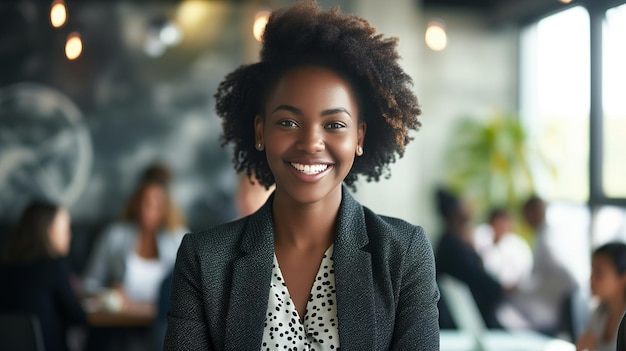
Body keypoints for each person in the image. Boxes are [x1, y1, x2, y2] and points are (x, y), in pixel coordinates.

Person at [164, 1, 439, 349]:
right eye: (288, 122)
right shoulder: (204, 259)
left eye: (335, 125)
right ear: (261, 132)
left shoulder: (403, 255)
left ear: (360, 137)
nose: (311, 143)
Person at [82, 162, 188, 306]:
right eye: (143, 202)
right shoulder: (114, 235)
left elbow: (192, 291)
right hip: (121, 321)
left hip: (166, 323)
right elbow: (89, 282)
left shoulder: (180, 239)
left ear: (165, 208)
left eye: (154, 205)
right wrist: (109, 294)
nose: (146, 210)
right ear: (135, 202)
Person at [0, 201, 86, 351]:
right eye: (65, 229)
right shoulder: (53, 267)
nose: (70, 236)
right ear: (49, 230)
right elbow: (77, 316)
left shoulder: (4, 265)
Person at [434, 188, 505, 329]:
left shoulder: (453, 242)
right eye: (464, 203)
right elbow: (489, 286)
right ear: (456, 212)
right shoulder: (453, 247)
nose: (469, 205)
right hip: (473, 321)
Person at [507, 195, 578, 336]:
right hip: (552, 301)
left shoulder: (548, 241)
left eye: (526, 214)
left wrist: (521, 288)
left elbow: (565, 275)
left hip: (554, 305)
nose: (525, 220)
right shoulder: (544, 234)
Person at [576, 242, 626, 351]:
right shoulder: (599, 312)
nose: (591, 280)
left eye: (599, 273)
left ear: (623, 278)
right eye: (592, 271)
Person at [473, 207, 533, 291]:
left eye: (504, 223)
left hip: (512, 294)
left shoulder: (519, 246)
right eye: (497, 224)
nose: (501, 227)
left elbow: (525, 274)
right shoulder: (481, 239)